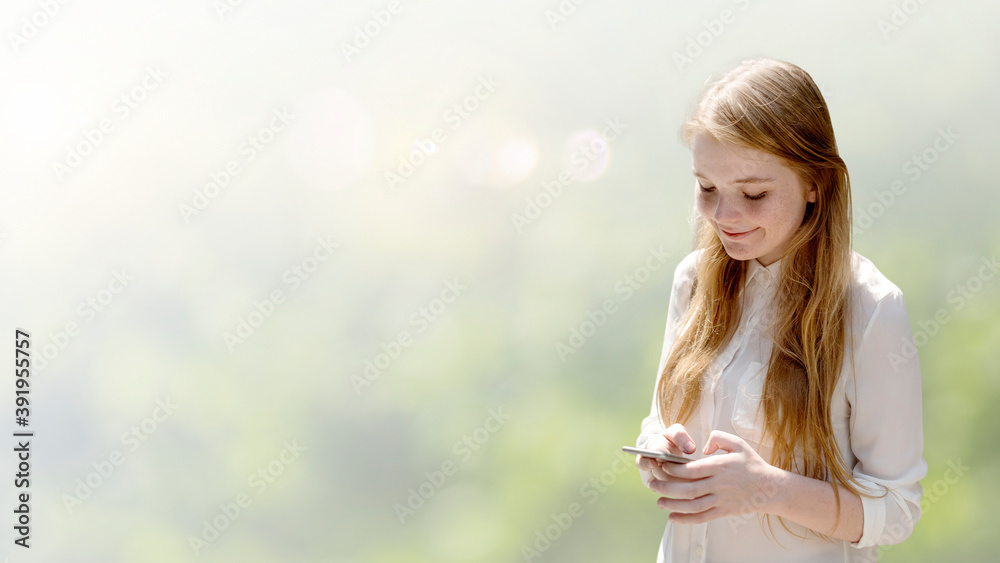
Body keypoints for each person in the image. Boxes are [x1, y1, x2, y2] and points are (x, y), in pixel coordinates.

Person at [633, 58, 927, 562]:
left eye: (754, 193)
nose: (724, 216)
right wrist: (660, 451)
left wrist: (766, 488)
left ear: (815, 183)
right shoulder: (692, 280)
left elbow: (896, 510)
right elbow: (658, 422)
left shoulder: (871, 310)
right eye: (707, 188)